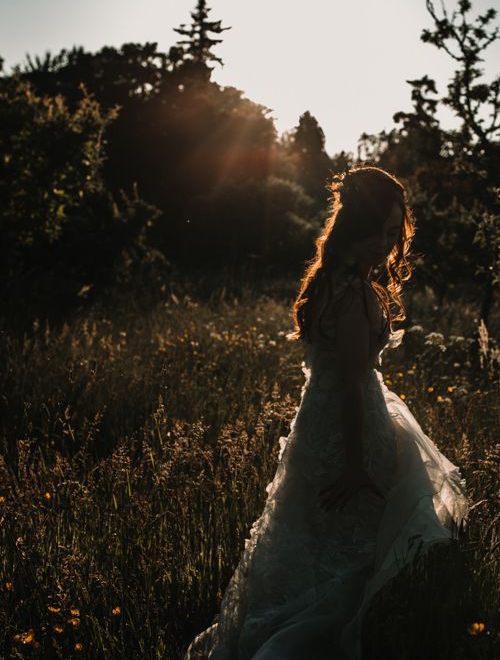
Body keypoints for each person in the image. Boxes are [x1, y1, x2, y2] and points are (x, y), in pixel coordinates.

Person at [183, 165, 469, 660]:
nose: (385, 244)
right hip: (347, 432)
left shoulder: (323, 281)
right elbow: (356, 383)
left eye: (391, 234)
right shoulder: (355, 291)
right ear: (353, 227)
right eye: (378, 231)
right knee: (353, 545)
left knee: (311, 538)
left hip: (315, 426)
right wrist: (357, 463)